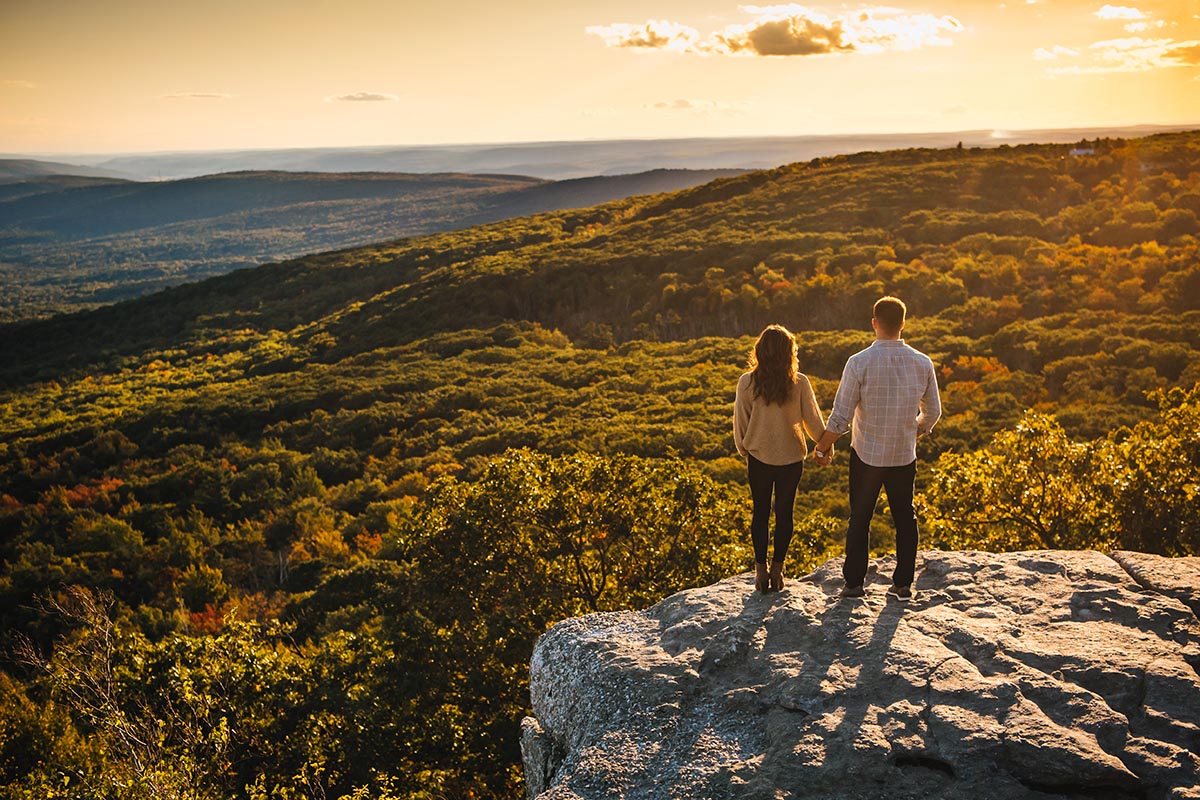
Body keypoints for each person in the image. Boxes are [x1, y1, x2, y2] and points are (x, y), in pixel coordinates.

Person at [812, 296, 941, 602]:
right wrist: (915, 431)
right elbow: (933, 411)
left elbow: (841, 415)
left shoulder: (859, 362)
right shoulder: (922, 362)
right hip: (902, 455)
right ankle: (903, 584)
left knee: (860, 518)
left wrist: (821, 448)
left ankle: (855, 584)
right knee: (904, 518)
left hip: (866, 455)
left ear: (874, 323)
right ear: (903, 324)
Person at [733, 324, 830, 594]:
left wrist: (745, 449)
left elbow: (740, 422)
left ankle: (760, 571)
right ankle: (778, 570)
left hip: (758, 457)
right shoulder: (799, 382)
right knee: (785, 514)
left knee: (761, 513)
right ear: (790, 353)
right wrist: (824, 446)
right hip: (790, 459)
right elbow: (813, 420)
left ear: (760, 351)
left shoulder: (747, 382)